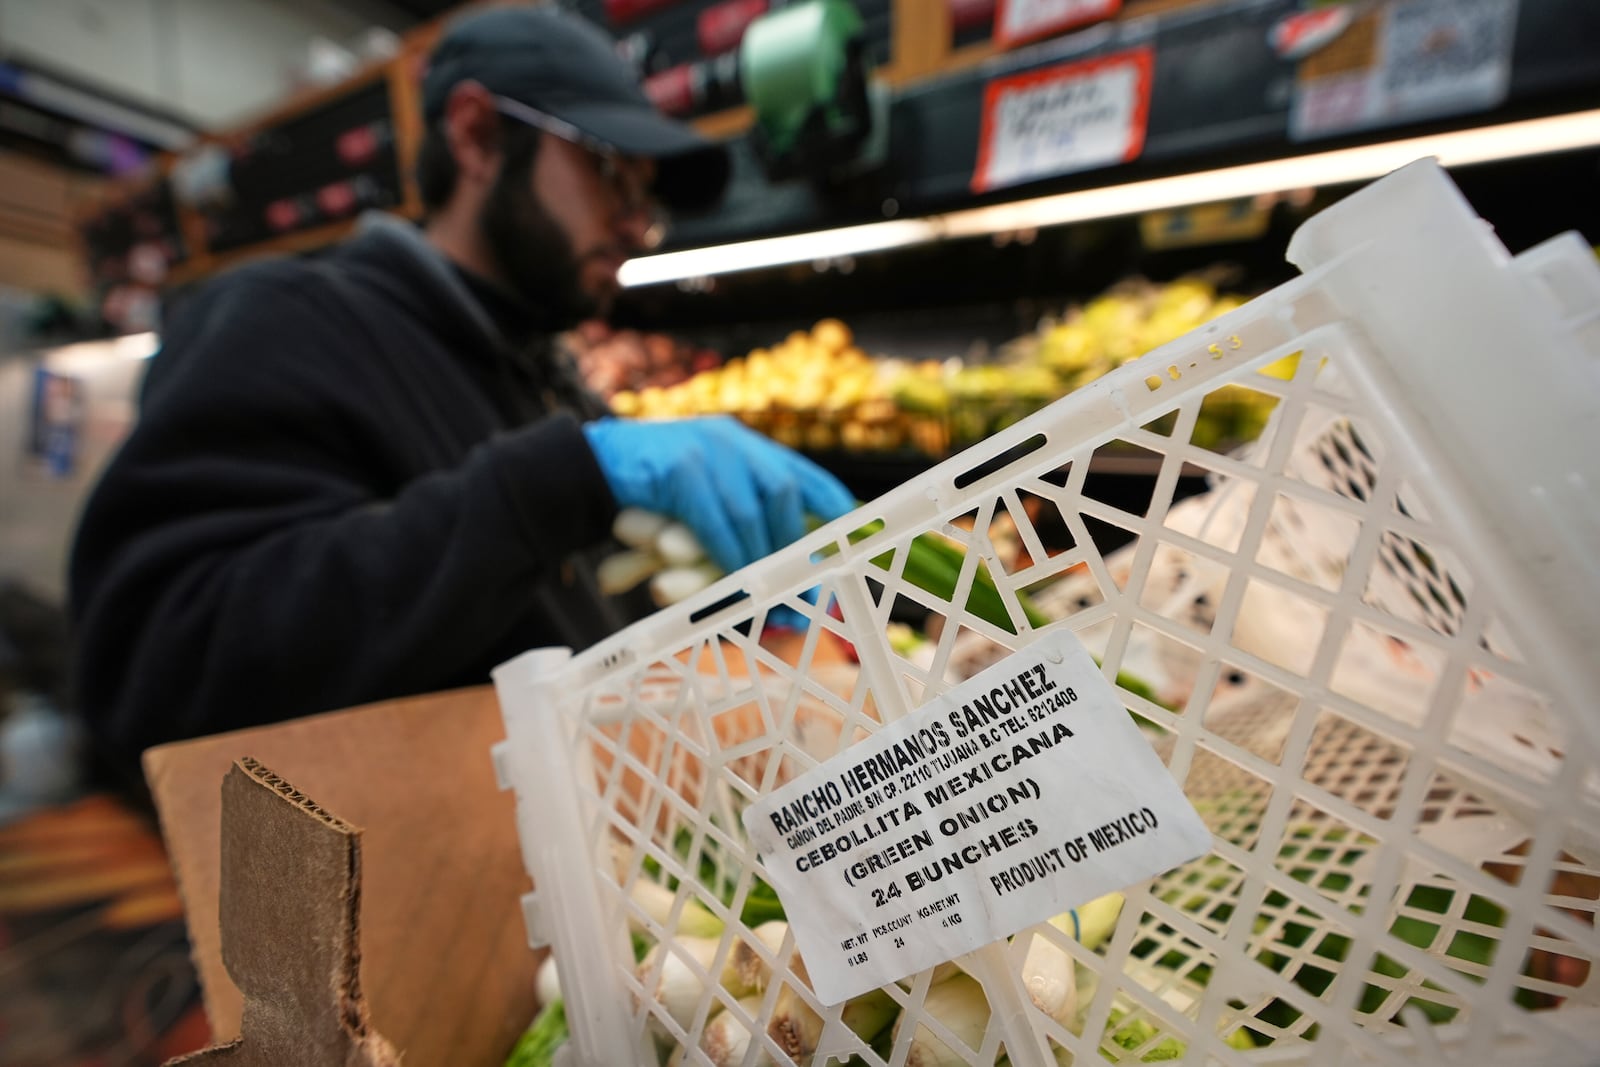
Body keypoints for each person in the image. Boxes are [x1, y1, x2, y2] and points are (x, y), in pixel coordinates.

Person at [68, 5, 856, 790]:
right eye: (610, 171)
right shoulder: (291, 322)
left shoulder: (544, 373)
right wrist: (561, 479)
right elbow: (158, 669)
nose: (632, 223)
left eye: (645, 198)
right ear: (478, 135)